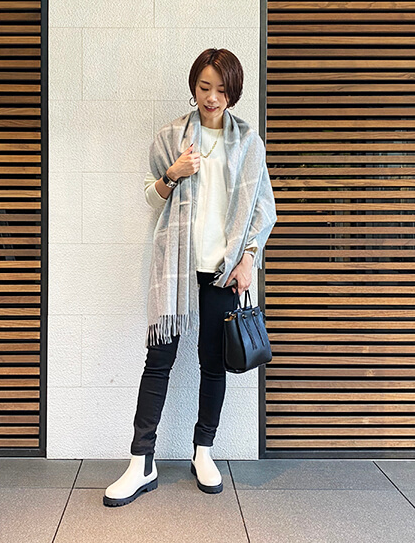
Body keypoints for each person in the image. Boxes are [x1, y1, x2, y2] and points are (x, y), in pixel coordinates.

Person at [103, 48, 277, 508]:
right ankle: (142, 461)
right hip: (177, 265)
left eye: (221, 89)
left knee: (212, 362)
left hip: (224, 270)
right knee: (158, 360)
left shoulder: (249, 142)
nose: (211, 97)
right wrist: (173, 173)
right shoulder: (171, 138)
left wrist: (248, 260)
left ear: (233, 92)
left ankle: (204, 450)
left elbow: (263, 210)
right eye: (204, 87)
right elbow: (151, 196)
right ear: (193, 87)